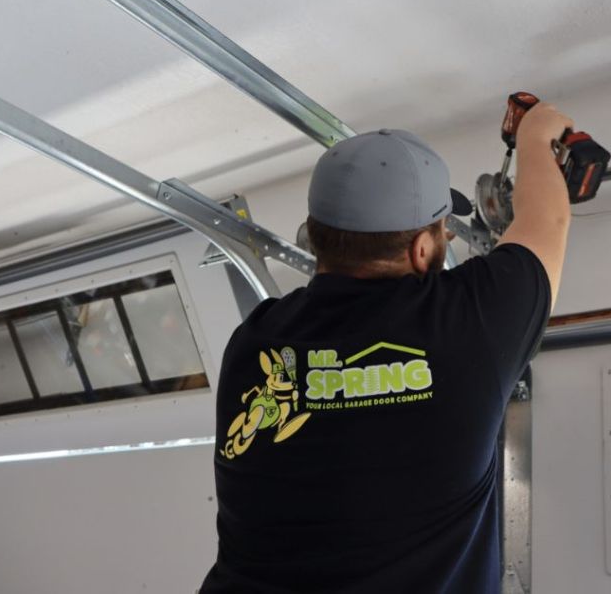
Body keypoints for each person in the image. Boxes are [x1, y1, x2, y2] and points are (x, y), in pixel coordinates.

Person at [199, 103, 573, 593]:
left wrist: (534, 130)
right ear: (422, 248)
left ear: (315, 237)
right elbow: (548, 218)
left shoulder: (254, 343)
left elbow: (549, 221)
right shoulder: (469, 324)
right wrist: (537, 127)